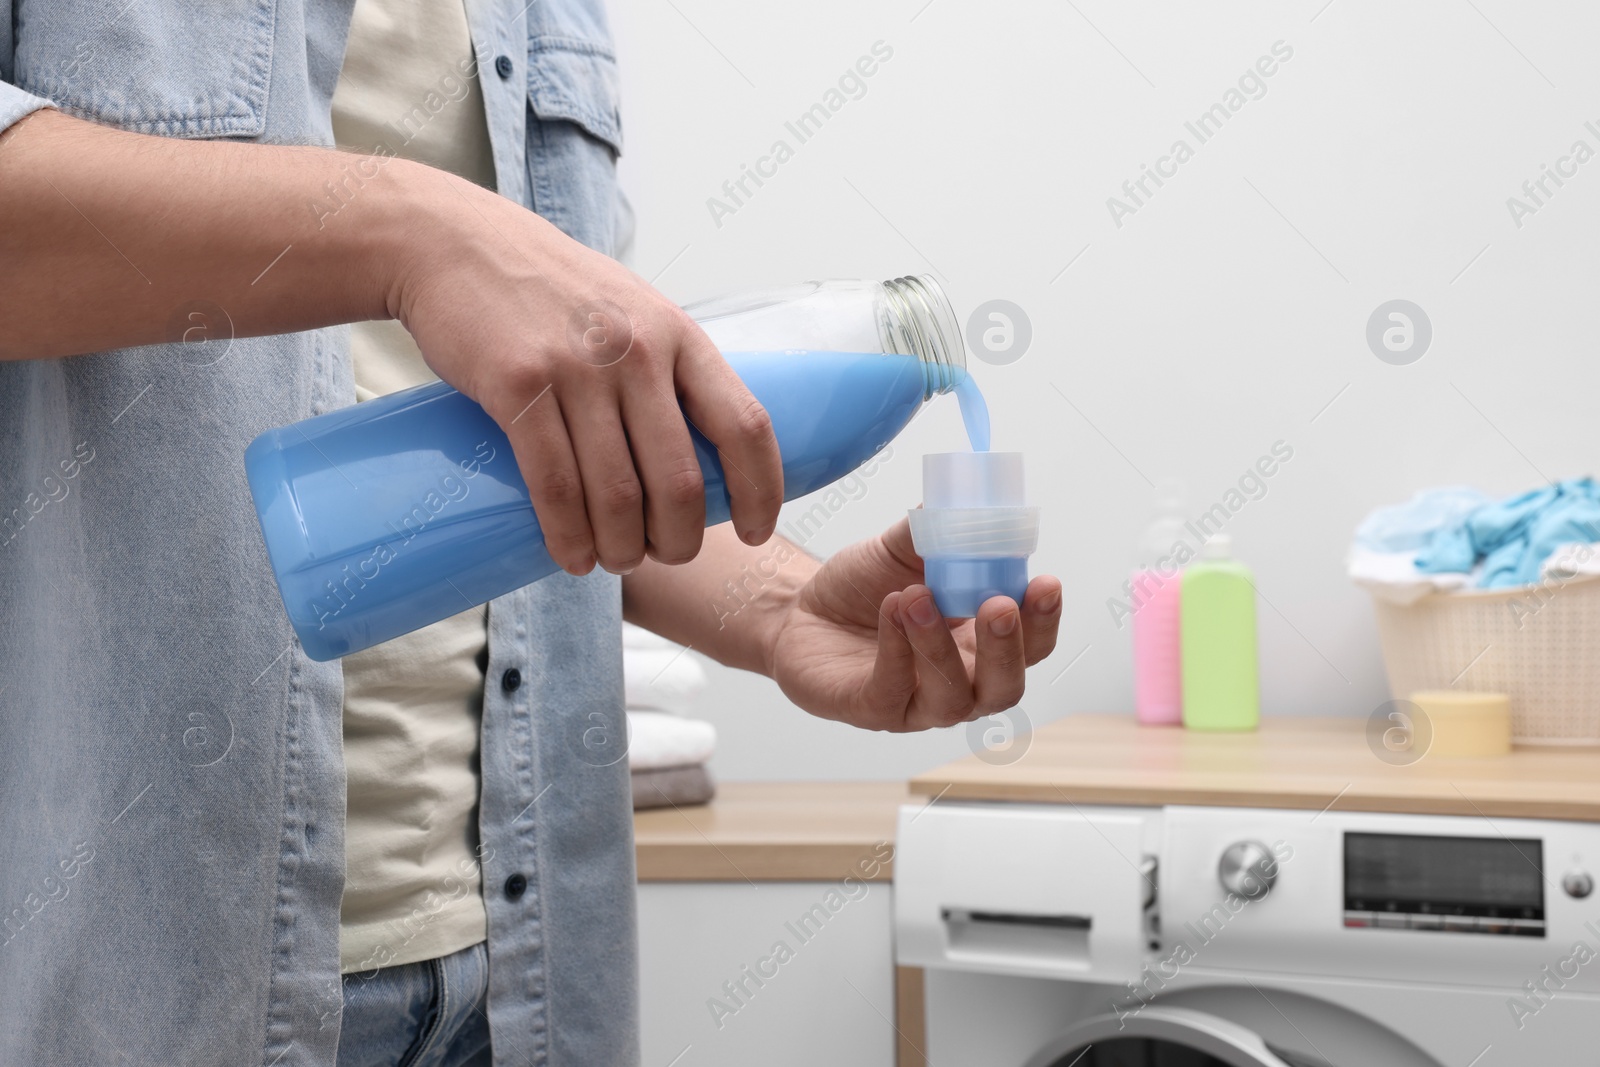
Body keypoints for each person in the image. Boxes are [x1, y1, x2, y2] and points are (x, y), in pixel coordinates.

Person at [0, 1, 1063, 1064]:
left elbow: (582, 452)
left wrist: (783, 609)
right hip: (148, 974)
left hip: (519, 976)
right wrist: (404, 227)